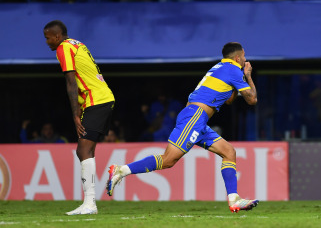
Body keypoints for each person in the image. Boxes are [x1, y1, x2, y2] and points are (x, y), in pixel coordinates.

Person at [106, 42, 259, 213]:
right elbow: (252, 99)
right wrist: (248, 75)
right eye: (244, 56)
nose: (246, 59)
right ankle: (121, 170)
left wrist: (239, 81)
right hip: (194, 117)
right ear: (238, 58)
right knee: (168, 160)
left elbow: (229, 99)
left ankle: (234, 199)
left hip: (198, 120)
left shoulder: (220, 67)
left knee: (229, 152)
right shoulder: (234, 70)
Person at [44, 20, 115, 215]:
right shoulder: (77, 43)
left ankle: (90, 204)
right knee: (86, 150)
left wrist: (75, 114)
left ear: (57, 36)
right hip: (103, 97)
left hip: (96, 100)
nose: (47, 41)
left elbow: (71, 82)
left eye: (48, 38)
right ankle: (89, 203)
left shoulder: (63, 48)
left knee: (83, 149)